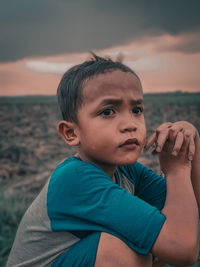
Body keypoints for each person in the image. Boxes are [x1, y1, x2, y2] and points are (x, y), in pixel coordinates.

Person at [6, 54, 199, 267]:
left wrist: (191, 145)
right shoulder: (75, 179)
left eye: (137, 110)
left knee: (153, 237)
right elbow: (183, 249)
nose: (130, 124)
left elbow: (188, 211)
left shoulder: (129, 171)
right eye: (108, 112)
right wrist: (177, 169)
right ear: (71, 133)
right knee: (123, 250)